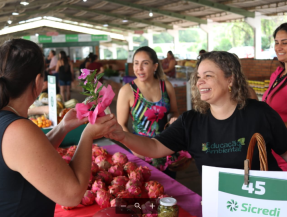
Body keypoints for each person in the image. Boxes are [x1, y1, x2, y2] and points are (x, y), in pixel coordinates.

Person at [0, 39, 116, 217]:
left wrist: (62, 128)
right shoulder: (17, 130)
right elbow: (72, 194)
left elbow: (31, 156)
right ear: (39, 81)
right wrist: (87, 135)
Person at [107, 51, 287, 176]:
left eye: (208, 75)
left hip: (263, 206)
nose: (200, 82)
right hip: (219, 208)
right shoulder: (191, 122)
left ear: (230, 78)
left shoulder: (259, 113)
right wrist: (122, 136)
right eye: (199, 76)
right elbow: (154, 147)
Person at [117, 46, 180, 178]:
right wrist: (134, 149)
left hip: (166, 146)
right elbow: (121, 126)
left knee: (170, 189)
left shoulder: (166, 86)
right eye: (136, 63)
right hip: (139, 147)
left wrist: (174, 118)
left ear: (155, 66)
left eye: (145, 63)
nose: (139, 68)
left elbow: (174, 111)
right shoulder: (127, 91)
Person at [262, 23, 287, 170]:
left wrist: (276, 127)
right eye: (276, 43)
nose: (279, 47)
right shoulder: (277, 74)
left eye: (285, 43)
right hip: (272, 149)